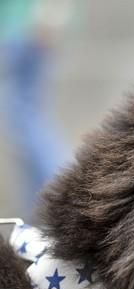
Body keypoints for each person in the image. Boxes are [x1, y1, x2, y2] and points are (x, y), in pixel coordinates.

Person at [0, 0, 73, 213]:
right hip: (27, 27)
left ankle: (60, 186)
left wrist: (47, 16)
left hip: (26, 28)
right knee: (24, 120)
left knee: (25, 119)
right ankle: (37, 205)